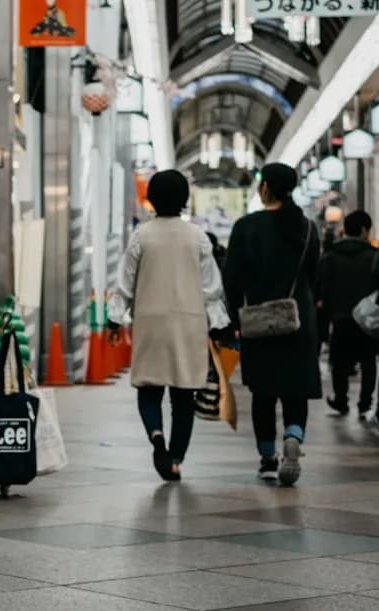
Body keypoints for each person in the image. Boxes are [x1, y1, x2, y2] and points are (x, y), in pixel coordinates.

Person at [109, 170, 230, 482]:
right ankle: (175, 460)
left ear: (151, 197)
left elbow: (124, 284)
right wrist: (219, 325)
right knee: (183, 396)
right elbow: (211, 289)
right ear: (184, 199)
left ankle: (156, 438)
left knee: (149, 388)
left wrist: (114, 318)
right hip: (189, 324)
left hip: (150, 322)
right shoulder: (198, 237)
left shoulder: (141, 236)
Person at [224, 163, 321, 487]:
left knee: (263, 393)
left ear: (265, 188)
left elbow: (232, 281)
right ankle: (293, 434)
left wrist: (230, 319)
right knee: (296, 390)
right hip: (298, 320)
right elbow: (312, 277)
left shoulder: (246, 227)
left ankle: (267, 458)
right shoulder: (307, 227)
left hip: (259, 322)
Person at [318, 210, 378, 419]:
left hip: (340, 318)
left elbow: (323, 291)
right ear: (364, 230)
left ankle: (341, 400)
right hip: (368, 321)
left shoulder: (330, 257)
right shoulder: (374, 257)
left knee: (339, 362)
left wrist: (326, 319)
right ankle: (365, 403)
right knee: (368, 361)